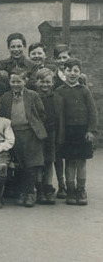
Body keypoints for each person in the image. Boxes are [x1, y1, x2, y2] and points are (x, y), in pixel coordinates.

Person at [0, 68, 46, 207]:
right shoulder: (5, 97)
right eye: (13, 81)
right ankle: (21, 192)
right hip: (13, 133)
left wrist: (35, 127)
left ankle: (30, 193)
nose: (15, 84)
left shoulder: (33, 95)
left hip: (30, 134)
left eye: (19, 81)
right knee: (19, 164)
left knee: (30, 165)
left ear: (25, 81)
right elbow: (3, 115)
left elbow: (41, 114)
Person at [56, 58, 97, 205]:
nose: (72, 73)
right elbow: (57, 113)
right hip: (66, 131)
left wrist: (91, 130)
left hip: (82, 131)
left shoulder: (84, 91)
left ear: (80, 73)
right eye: (69, 70)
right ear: (64, 72)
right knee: (69, 161)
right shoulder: (59, 91)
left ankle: (81, 190)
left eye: (76, 71)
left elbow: (93, 112)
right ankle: (71, 191)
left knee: (81, 162)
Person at [34, 68, 59, 204]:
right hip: (36, 134)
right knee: (38, 162)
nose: (45, 85)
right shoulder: (33, 96)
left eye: (48, 82)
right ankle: (40, 190)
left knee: (49, 161)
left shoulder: (56, 98)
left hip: (51, 133)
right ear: (36, 82)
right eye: (42, 82)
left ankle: (48, 187)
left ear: (53, 82)